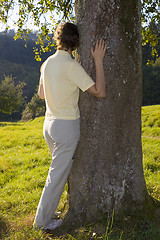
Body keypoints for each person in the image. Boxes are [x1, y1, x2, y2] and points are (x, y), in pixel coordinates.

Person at [33, 22, 106, 231]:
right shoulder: (72, 66)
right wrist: (98, 61)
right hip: (65, 128)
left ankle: (47, 211)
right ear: (76, 43)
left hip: (49, 125)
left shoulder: (46, 63)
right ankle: (41, 222)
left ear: (58, 39)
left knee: (58, 174)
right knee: (56, 176)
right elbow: (100, 92)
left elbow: (41, 95)